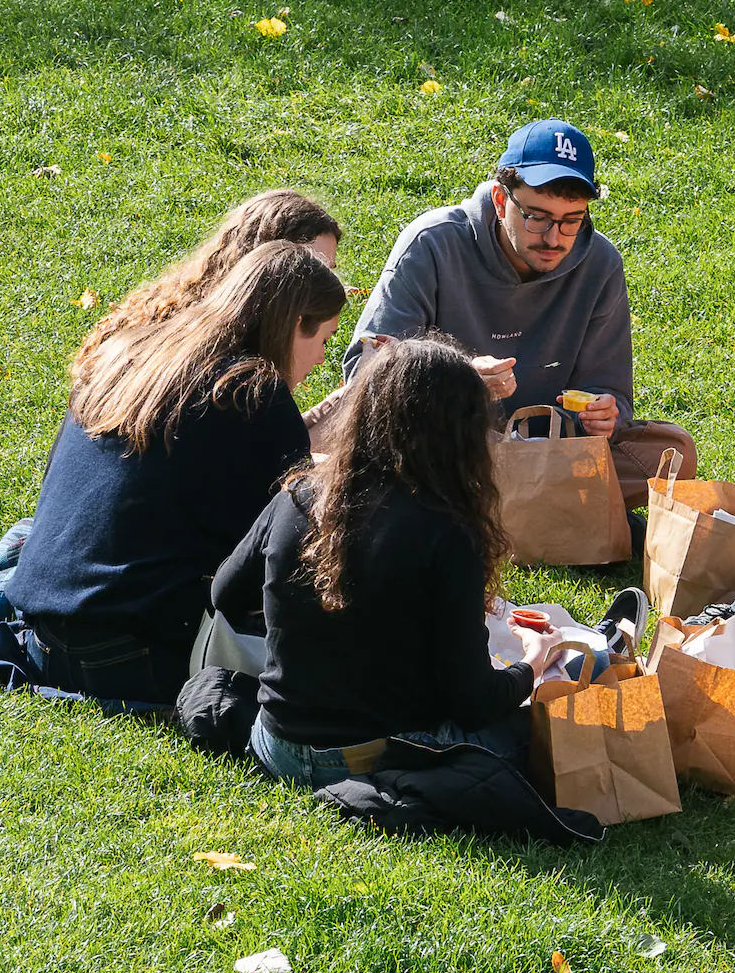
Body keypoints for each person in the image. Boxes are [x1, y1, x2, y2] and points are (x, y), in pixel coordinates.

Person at [215, 335, 576, 789]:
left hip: (276, 744)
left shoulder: (298, 496)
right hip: (376, 754)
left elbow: (225, 594)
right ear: (462, 435)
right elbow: (474, 702)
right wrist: (534, 662)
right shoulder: (446, 531)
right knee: (545, 722)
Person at [0, 242, 344, 706]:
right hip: (132, 653)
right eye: (324, 340)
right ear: (297, 323)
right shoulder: (255, 393)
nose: (321, 359)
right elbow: (275, 552)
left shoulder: (130, 352)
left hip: (43, 632)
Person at [342, 119, 693, 517]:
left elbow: (610, 391)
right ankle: (533, 511)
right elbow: (365, 372)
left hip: (544, 451)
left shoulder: (600, 263)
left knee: (671, 453)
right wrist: (457, 379)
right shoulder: (433, 243)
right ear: (499, 199)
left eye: (572, 220)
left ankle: (490, 510)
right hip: (444, 444)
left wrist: (603, 415)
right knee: (372, 453)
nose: (554, 238)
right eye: (537, 217)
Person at [69, 189, 344, 387]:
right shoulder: (229, 365)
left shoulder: (184, 308)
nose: (325, 283)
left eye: (328, 270)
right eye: (312, 267)